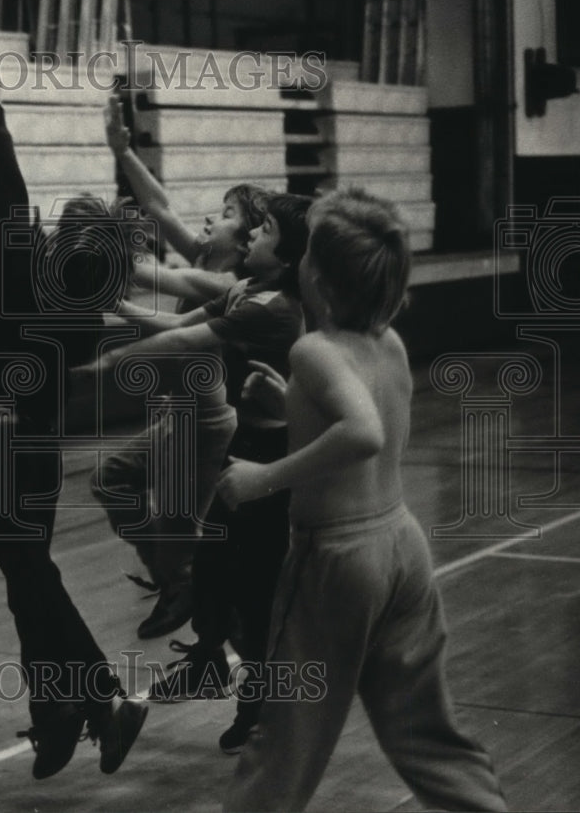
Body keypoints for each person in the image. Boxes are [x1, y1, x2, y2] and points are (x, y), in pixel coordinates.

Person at [216, 189, 508, 812]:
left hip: (336, 560)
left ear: (314, 274)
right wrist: (288, 408)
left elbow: (363, 433)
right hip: (402, 548)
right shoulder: (387, 341)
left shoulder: (313, 350)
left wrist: (260, 479)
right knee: (424, 732)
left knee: (284, 743)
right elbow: (361, 418)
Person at [0, 61, 148, 781]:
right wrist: (119, 162)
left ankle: (101, 697)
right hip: (39, 447)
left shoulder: (19, 271)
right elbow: (104, 234)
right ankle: (58, 713)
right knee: (27, 579)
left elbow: (7, 197)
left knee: (31, 580)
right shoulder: (85, 305)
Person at [87, 193, 311, 642]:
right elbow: (175, 322)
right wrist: (112, 297)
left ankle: (221, 633)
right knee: (117, 485)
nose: (244, 230)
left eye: (255, 226)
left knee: (234, 576)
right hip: (212, 429)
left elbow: (183, 339)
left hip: (241, 439)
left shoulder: (264, 302)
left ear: (287, 256)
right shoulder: (243, 288)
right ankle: (196, 610)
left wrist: (106, 362)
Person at [104, 95, 269, 312]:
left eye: (226, 215)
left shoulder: (228, 283)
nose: (210, 217)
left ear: (243, 243)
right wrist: (123, 151)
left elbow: (144, 273)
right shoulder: (205, 257)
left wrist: (89, 246)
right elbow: (160, 208)